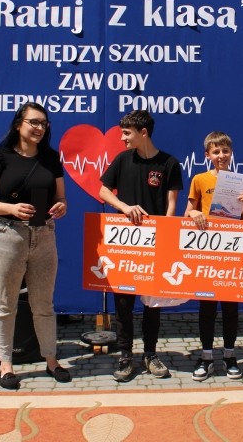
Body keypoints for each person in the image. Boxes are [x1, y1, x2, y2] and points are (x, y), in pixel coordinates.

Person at [0, 102, 71, 389]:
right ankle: (6, 365)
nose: (39, 128)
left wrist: (61, 206)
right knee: (5, 302)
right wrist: (11, 208)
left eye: (44, 123)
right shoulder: (0, 155)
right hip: (7, 234)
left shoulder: (51, 158)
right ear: (19, 124)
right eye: (34, 122)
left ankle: (51, 361)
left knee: (44, 303)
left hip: (44, 235)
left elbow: (61, 198)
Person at [99, 110, 183, 382]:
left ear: (143, 132)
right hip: (125, 244)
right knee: (123, 303)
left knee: (152, 303)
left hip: (156, 243)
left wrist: (166, 237)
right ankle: (125, 356)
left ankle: (150, 354)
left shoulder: (169, 163)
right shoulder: (122, 160)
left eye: (127, 133)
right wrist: (124, 207)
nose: (122, 138)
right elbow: (103, 190)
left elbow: (171, 204)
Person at [184, 131, 243, 381]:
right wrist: (193, 214)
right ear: (207, 155)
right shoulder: (199, 179)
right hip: (208, 251)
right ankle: (206, 356)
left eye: (225, 151)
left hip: (231, 251)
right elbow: (188, 212)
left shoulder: (240, 181)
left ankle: (230, 355)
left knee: (231, 307)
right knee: (207, 307)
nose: (221, 155)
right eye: (216, 152)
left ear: (231, 153)